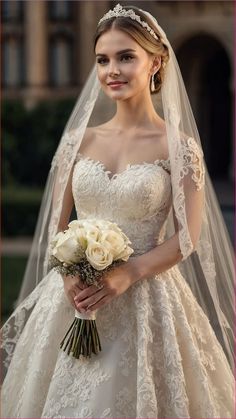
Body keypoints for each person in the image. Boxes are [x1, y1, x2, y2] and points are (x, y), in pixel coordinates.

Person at [1, 4, 235, 418]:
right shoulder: (77, 142)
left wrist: (129, 273)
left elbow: (187, 238)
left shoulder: (179, 147)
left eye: (126, 56)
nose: (113, 69)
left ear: (156, 62)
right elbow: (58, 227)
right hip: (73, 299)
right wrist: (72, 275)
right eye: (103, 59)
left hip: (147, 299)